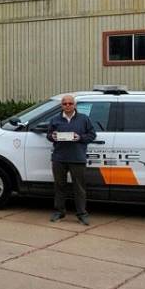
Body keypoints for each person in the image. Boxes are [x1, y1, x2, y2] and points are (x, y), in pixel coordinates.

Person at [47, 94, 97, 225]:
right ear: (61, 106)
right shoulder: (55, 120)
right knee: (59, 186)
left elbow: (92, 135)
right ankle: (59, 212)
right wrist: (53, 136)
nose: (68, 106)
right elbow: (49, 135)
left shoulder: (84, 119)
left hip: (77, 158)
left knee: (79, 188)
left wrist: (80, 138)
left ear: (74, 105)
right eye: (65, 104)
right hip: (59, 158)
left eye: (70, 103)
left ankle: (82, 214)